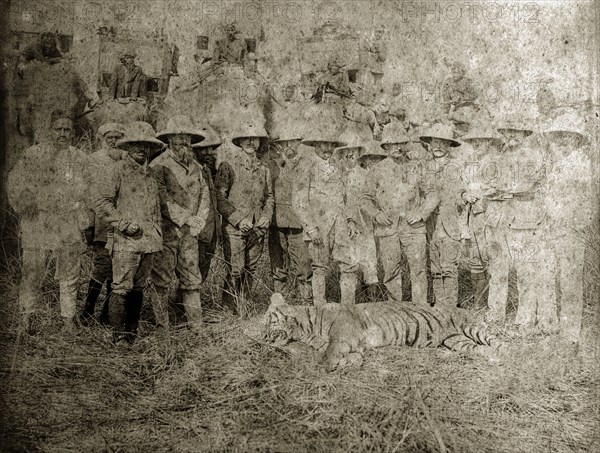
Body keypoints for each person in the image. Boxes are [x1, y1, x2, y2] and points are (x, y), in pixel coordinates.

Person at [7, 109, 88, 335]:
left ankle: (68, 320)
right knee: (32, 270)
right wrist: (24, 196)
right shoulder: (34, 153)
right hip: (38, 221)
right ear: (50, 130)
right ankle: (26, 318)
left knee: (70, 272)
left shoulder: (80, 158)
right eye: (58, 129)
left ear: (72, 132)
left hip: (68, 220)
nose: (62, 134)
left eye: (67, 130)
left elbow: (89, 190)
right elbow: (14, 179)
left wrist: (83, 213)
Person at [92, 122, 164, 345]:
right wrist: (122, 224)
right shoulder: (117, 170)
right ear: (128, 147)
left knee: (138, 288)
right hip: (126, 242)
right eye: (136, 145)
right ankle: (118, 336)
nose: (142, 150)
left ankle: (132, 333)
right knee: (121, 288)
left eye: (147, 146)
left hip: (149, 242)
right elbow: (101, 202)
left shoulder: (151, 173)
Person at [360, 122, 439, 304]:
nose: (396, 147)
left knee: (418, 270)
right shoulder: (377, 170)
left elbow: (433, 194)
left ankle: (420, 310)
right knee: (391, 271)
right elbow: (364, 199)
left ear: (405, 145)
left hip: (413, 228)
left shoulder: (417, 167)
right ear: (385, 146)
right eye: (392, 144)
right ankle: (396, 310)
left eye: (400, 143)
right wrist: (376, 215)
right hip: (388, 228)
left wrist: (421, 213)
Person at [149, 116, 210, 331]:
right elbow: (161, 198)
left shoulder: (197, 167)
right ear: (169, 139)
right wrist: (184, 217)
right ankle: (162, 327)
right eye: (179, 137)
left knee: (192, 279)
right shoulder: (158, 165)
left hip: (189, 234)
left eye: (187, 138)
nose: (183, 142)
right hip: (166, 232)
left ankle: (196, 326)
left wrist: (199, 220)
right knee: (161, 281)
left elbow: (205, 195)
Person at [542, 112, 593, 342]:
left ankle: (571, 333)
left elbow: (588, 201)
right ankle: (560, 329)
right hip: (554, 228)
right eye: (559, 136)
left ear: (577, 139)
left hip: (571, 230)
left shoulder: (581, 165)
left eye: (567, 136)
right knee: (558, 278)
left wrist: (578, 225)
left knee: (571, 281)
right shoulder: (558, 164)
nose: (562, 140)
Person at [292, 127, 356, 306]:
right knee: (319, 268)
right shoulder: (305, 166)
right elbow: (299, 202)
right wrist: (311, 229)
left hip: (341, 225)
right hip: (318, 228)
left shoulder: (339, 166)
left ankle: (348, 310)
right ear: (315, 145)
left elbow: (347, 196)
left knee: (349, 266)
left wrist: (350, 220)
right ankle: (320, 309)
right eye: (323, 145)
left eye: (331, 145)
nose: (327, 149)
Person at [216, 123, 274, 317]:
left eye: (255, 138)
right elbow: (220, 198)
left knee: (250, 268)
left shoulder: (264, 168)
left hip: (257, 228)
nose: (250, 142)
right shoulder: (228, 165)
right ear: (239, 141)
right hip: (235, 228)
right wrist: (238, 220)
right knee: (236, 269)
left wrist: (266, 217)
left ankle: (244, 307)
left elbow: (269, 197)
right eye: (246, 138)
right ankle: (228, 309)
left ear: (259, 142)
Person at [80, 122, 125, 325]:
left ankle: (107, 313)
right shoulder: (93, 161)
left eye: (117, 137)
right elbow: (86, 194)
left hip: (124, 222)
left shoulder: (126, 159)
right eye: (110, 138)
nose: (114, 141)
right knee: (102, 265)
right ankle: (88, 311)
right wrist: (88, 223)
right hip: (101, 222)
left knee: (117, 268)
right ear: (101, 140)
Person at [460, 125, 506, 310]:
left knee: (495, 261)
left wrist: (487, 192)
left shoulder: (497, 162)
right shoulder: (469, 165)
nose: (477, 143)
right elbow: (461, 187)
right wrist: (464, 195)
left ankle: (495, 309)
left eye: (482, 140)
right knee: (475, 262)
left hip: (492, 218)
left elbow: (502, 189)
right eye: (474, 141)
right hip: (473, 218)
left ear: (490, 142)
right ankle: (478, 305)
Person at [419, 123, 465, 308]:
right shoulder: (423, 167)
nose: (437, 146)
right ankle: (439, 308)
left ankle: (451, 309)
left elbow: (463, 191)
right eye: (434, 142)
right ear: (429, 144)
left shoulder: (457, 166)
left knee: (449, 268)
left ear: (449, 145)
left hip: (450, 222)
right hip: (430, 224)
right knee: (436, 269)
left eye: (442, 143)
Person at [267, 130, 313, 303]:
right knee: (278, 267)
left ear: (298, 143)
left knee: (303, 265)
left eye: (292, 142)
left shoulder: (306, 165)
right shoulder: (271, 166)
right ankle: (280, 304)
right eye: (283, 142)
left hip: (297, 223)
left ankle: (307, 303)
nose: (287, 146)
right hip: (275, 223)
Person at [335, 133, 379, 302]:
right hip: (343, 228)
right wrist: (347, 221)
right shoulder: (335, 175)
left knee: (369, 267)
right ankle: (348, 308)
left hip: (365, 227)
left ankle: (371, 308)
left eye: (353, 150)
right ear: (340, 154)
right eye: (346, 151)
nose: (350, 154)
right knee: (347, 268)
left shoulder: (366, 175)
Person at [192, 124, 222, 281]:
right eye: (204, 149)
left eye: (211, 149)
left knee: (202, 272)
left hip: (210, 232)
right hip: (196, 232)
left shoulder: (207, 171)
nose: (209, 153)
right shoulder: (191, 171)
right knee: (191, 275)